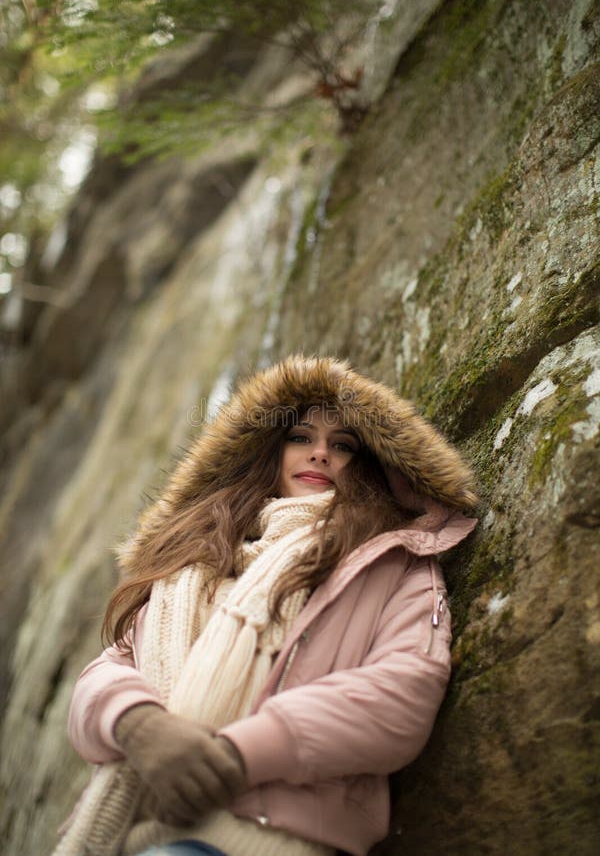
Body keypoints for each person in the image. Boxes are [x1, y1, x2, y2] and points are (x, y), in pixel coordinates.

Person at [54, 354, 478, 856]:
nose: (319, 454)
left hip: (265, 840)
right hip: (131, 836)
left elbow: (404, 691)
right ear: (269, 455)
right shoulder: (193, 568)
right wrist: (140, 726)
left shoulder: (391, 561)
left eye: (341, 445)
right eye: (301, 438)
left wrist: (239, 755)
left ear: (366, 466)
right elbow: (102, 677)